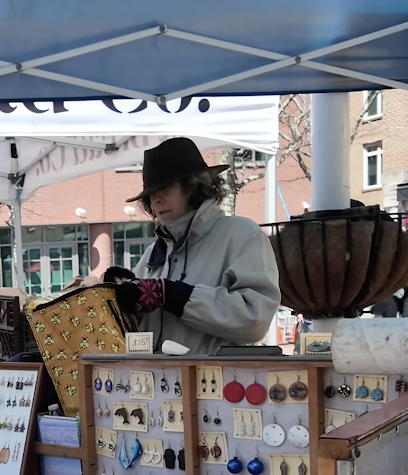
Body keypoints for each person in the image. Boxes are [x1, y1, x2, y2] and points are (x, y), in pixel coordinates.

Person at [108, 138, 280, 352]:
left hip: (213, 373)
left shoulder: (241, 234)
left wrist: (175, 296)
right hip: (152, 373)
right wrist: (119, 295)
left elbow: (255, 318)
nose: (156, 199)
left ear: (193, 187)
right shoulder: (154, 252)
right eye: (151, 194)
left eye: (166, 188)